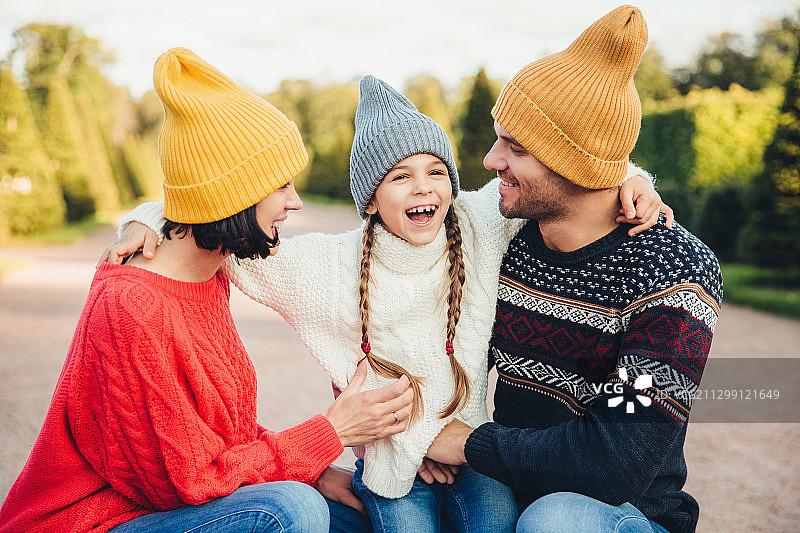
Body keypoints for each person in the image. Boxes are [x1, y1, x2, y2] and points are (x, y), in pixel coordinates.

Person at [105, 71, 668, 532]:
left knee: (496, 524)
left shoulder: (476, 223)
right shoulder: (326, 265)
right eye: (400, 176)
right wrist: (148, 218)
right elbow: (215, 219)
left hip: (473, 449)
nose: (424, 188)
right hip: (390, 462)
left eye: (436, 171)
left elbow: (573, 170)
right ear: (370, 200)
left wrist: (633, 177)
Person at [0, 48, 414, 533]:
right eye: (281, 187)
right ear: (231, 197)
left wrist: (319, 467)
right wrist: (329, 434)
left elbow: (216, 440)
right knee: (290, 510)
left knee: (359, 509)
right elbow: (188, 482)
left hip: (170, 507)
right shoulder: (133, 306)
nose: (295, 202)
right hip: (95, 521)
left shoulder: (210, 274)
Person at [425, 6, 723, 533]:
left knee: (555, 518)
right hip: (502, 491)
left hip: (621, 515)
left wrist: (466, 442)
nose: (491, 160)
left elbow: (617, 458)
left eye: (515, 147)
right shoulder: (505, 238)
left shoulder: (673, 269)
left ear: (576, 167)